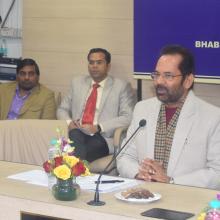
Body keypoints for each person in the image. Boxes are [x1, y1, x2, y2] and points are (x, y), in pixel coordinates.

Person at [117, 45, 220, 190]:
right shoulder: (142, 109)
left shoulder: (212, 117)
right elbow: (124, 156)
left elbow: (217, 173)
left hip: (187, 200)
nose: (159, 81)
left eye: (168, 76)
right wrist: (138, 173)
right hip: (144, 194)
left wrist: (171, 181)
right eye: (157, 75)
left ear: (188, 80)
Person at [57, 48, 135, 162]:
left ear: (108, 66)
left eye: (99, 62)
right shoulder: (77, 82)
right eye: (91, 62)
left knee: (76, 149)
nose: (94, 66)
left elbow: (128, 117)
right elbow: (62, 109)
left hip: (102, 136)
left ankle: (72, 169)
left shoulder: (121, 86)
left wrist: (98, 127)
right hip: (77, 132)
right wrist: (69, 123)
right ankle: (77, 168)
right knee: (75, 135)